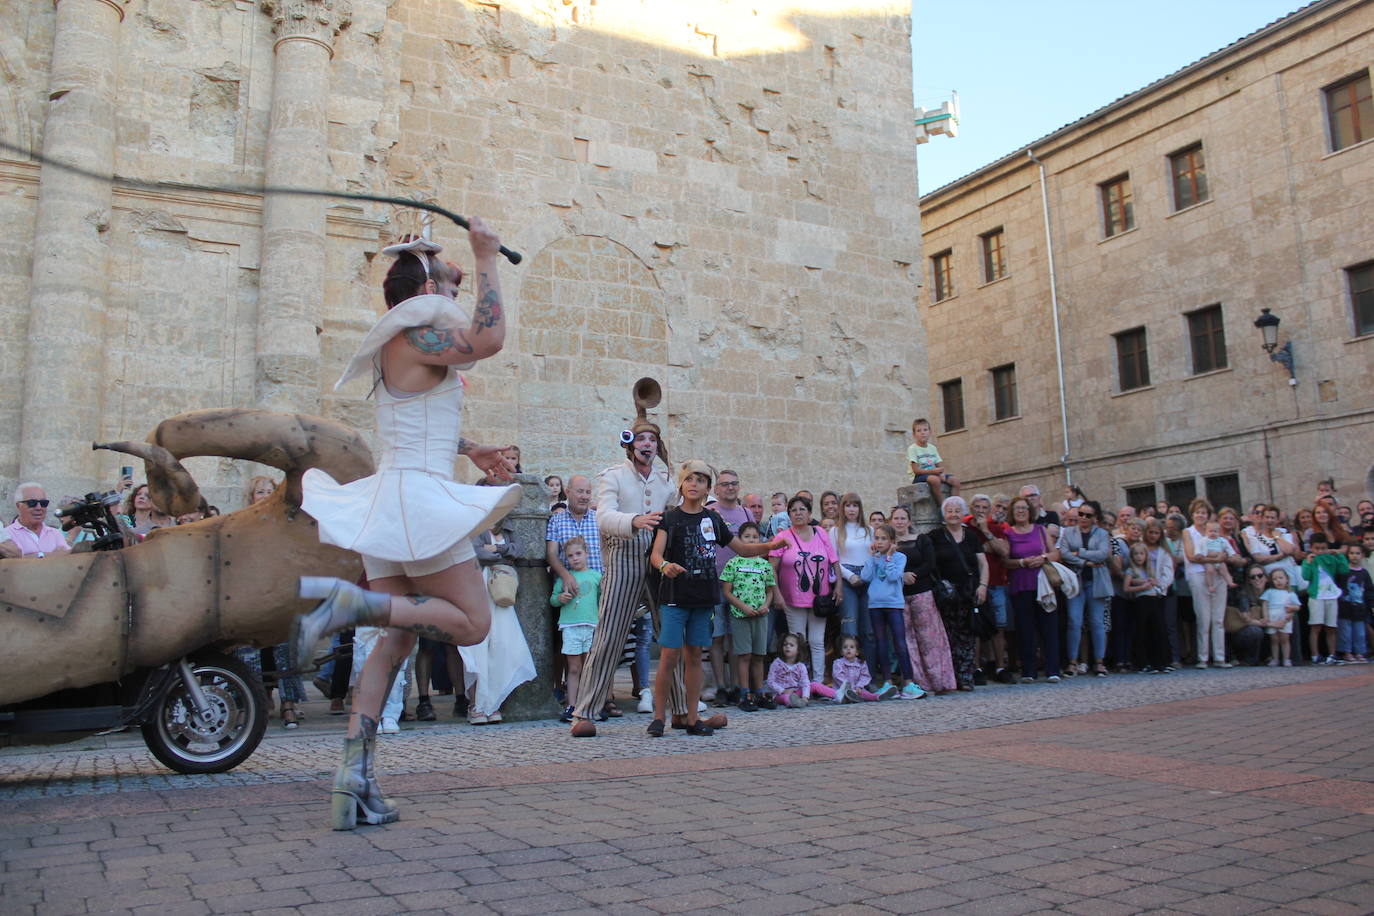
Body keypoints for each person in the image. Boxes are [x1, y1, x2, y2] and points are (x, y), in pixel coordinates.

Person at [291, 224, 522, 830]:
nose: (458, 272)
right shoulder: (424, 329)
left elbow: (417, 413)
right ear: (426, 283)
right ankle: (347, 603)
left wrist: (467, 446)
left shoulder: (404, 341)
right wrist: (486, 257)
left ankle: (353, 781)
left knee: (395, 643)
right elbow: (490, 338)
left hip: (394, 500)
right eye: (447, 267)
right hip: (416, 505)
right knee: (473, 625)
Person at [570, 390, 701, 737]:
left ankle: (682, 710)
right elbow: (604, 516)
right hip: (625, 558)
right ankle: (585, 711)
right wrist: (634, 521)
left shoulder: (665, 480)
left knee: (669, 635)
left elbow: (681, 508)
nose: (648, 445)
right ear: (630, 446)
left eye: (653, 440)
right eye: (642, 439)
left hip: (659, 561)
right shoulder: (613, 475)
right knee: (609, 635)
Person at [646, 461, 781, 737]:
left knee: (695, 654)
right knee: (669, 656)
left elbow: (741, 548)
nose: (694, 484)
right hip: (673, 597)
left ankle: (693, 717)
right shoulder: (669, 518)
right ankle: (660, 716)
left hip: (703, 597)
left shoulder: (713, 519)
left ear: (708, 488)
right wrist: (664, 566)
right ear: (681, 485)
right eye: (689, 479)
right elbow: (655, 554)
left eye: (700, 480)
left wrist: (769, 545)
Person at [544, 474, 603, 705]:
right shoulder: (557, 520)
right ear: (567, 492)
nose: (584, 496)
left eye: (588, 492)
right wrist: (565, 575)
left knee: (597, 647)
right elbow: (551, 553)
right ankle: (565, 692)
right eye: (580, 491)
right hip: (567, 591)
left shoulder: (598, 519)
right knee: (564, 644)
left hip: (595, 593)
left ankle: (600, 698)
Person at [769, 495, 839, 680]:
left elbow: (833, 560)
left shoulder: (820, 533)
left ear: (809, 513)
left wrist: (839, 585)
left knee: (817, 642)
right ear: (789, 514)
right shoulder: (783, 536)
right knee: (797, 641)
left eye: (802, 509)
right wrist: (777, 595)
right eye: (794, 510)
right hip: (792, 598)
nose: (798, 513)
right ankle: (798, 680)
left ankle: (818, 681)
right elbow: (772, 568)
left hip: (819, 598)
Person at [923, 496, 988, 692]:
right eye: (950, 510)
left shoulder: (971, 537)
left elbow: (982, 563)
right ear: (944, 514)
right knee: (947, 636)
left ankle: (966, 677)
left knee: (967, 636)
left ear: (963, 514)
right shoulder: (935, 536)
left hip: (968, 591)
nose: (953, 514)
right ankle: (949, 678)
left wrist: (983, 585)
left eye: (957, 510)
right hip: (946, 594)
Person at [892, 505, 956, 694]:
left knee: (930, 639)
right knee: (908, 641)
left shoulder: (921, 540)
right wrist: (901, 576)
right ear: (891, 521)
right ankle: (920, 683)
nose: (899, 522)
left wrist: (913, 575)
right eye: (896, 518)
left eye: (903, 518)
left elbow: (930, 563)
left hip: (922, 592)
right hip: (899, 596)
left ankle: (940, 681)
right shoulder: (888, 543)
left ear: (909, 522)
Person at [1002, 495, 1061, 682]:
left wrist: (1042, 558)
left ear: (1030, 511)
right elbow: (1005, 561)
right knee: (1025, 630)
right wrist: (1021, 562)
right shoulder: (1008, 533)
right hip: (1020, 585)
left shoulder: (1040, 530)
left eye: (1024, 508)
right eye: (1017, 508)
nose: (1020, 511)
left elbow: (1056, 553)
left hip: (1043, 585)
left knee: (1049, 628)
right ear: (1012, 512)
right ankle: (1029, 671)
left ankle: (1053, 669)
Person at [721, 521, 777, 712]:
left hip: (760, 615)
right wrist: (742, 606)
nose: (751, 540)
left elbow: (770, 590)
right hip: (740, 615)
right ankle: (745, 693)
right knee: (744, 655)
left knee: (759, 655)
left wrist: (766, 605)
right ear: (739, 540)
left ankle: (759, 691)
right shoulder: (733, 563)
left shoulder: (765, 564)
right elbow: (727, 591)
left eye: (755, 537)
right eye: (747, 537)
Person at [861, 523, 922, 697]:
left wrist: (888, 558)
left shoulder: (899, 557)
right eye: (877, 538)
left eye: (884, 539)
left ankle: (908, 682)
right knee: (881, 643)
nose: (879, 542)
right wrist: (872, 558)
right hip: (875, 605)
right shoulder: (874, 557)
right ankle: (887, 682)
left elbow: (894, 576)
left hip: (894, 604)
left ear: (892, 541)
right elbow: (865, 577)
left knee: (900, 643)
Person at [706, 469, 751, 705]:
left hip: (741, 585)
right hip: (714, 581)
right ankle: (720, 685)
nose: (730, 488)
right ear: (716, 489)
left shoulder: (746, 513)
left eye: (734, 483)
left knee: (735, 638)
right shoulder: (709, 513)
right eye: (725, 484)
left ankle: (736, 685)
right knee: (717, 637)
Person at [1057, 499, 1110, 677]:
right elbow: (1063, 553)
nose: (1083, 518)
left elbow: (1103, 553)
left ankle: (1099, 662)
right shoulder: (1068, 532)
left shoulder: (1102, 533)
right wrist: (1086, 561)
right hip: (1076, 581)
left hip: (1097, 581)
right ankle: (1072, 661)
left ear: (1095, 517)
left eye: (1088, 515)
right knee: (1074, 621)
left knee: (1097, 623)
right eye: (1081, 514)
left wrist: (1079, 552)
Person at [551, 537, 601, 722]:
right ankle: (572, 705)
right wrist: (560, 598)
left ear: (587, 554)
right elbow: (553, 600)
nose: (575, 558)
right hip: (570, 627)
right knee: (573, 667)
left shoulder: (596, 576)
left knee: (589, 667)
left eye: (578, 554)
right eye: (570, 556)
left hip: (591, 626)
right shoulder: (564, 579)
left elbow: (601, 600)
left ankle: (589, 704)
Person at [1182, 499, 1233, 669]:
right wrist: (1215, 558)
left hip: (1218, 575)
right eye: (1197, 512)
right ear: (1192, 515)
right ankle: (1203, 657)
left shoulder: (1215, 531)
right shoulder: (1188, 532)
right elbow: (1191, 556)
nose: (1200, 515)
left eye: (1203, 512)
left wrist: (1216, 558)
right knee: (1204, 618)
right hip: (1198, 575)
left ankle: (1219, 657)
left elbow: (1225, 553)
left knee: (1218, 618)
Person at [833, 493, 877, 673]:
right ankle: (847, 676)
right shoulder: (835, 531)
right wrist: (850, 576)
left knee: (869, 631)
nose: (852, 509)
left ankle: (870, 676)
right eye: (848, 505)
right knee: (849, 629)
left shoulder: (869, 530)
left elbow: (875, 556)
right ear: (842, 509)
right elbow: (834, 559)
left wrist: (865, 575)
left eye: (855, 505)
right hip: (847, 579)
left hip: (867, 579)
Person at [1302, 531, 1349, 665]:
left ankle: (1332, 654)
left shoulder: (1331, 559)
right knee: (1316, 626)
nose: (1320, 551)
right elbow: (1306, 576)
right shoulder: (1309, 560)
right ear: (1311, 548)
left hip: (1331, 595)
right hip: (1316, 596)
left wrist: (1338, 555)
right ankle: (1315, 655)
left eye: (1323, 548)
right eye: (1317, 548)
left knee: (1331, 627)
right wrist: (1308, 563)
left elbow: (1344, 570)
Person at [810, 636, 892, 702]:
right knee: (829, 690)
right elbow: (838, 676)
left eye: (852, 647)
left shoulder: (861, 663)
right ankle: (849, 697)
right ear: (842, 652)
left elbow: (865, 676)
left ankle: (877, 697)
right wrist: (851, 688)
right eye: (845, 647)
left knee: (865, 694)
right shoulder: (838, 663)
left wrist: (859, 687)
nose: (848, 649)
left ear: (857, 652)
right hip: (840, 690)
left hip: (857, 690)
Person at [5, 483, 71, 558]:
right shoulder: (6, 535)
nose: (39, 507)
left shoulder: (55, 534)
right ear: (18, 506)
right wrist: (49, 555)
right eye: (32, 503)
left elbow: (67, 558)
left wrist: (28, 556)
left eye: (43, 503)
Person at [1336, 543, 1370, 663]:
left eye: (1357, 553)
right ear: (1347, 555)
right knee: (1345, 631)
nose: (1354, 556)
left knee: (1360, 632)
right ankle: (1347, 652)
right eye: (1351, 553)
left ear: (1362, 555)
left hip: (1360, 607)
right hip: (1345, 607)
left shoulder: (1364, 573)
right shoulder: (1344, 571)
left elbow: (1369, 590)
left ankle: (1359, 652)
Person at [908, 417, 959, 495]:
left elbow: (939, 465)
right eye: (919, 431)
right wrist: (932, 471)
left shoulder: (932, 448)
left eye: (925, 430)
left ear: (930, 432)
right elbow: (916, 470)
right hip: (919, 476)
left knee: (955, 480)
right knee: (935, 480)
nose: (922, 433)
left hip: (934, 474)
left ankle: (954, 502)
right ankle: (942, 504)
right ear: (914, 434)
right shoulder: (913, 449)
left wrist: (942, 474)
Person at [1261, 568, 1301, 666]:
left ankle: (1286, 659)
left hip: (1285, 617)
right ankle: (1275, 659)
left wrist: (1292, 608)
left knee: (1285, 638)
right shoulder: (1269, 592)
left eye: (1281, 578)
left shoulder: (1290, 593)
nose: (1278, 581)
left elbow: (1298, 606)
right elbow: (1265, 604)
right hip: (1272, 616)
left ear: (1287, 579)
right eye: (1275, 579)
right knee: (1274, 639)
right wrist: (1265, 616)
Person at [766, 633, 811, 707]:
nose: (787, 647)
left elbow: (805, 682)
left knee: (814, 685)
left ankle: (835, 695)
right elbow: (770, 681)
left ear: (798, 650)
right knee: (787, 697)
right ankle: (795, 703)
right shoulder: (777, 663)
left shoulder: (801, 666)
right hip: (780, 694)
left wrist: (805, 697)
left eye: (791, 645)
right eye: (785, 644)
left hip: (796, 692)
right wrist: (783, 691)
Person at [1201, 520, 1237, 594]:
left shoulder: (1222, 540)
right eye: (1210, 531)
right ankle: (1210, 586)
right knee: (1210, 571)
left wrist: (1232, 554)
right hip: (1210, 560)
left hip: (1220, 560)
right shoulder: (1204, 540)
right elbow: (1200, 549)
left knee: (1224, 570)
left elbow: (1228, 547)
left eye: (1215, 531)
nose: (1213, 533)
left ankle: (1230, 582)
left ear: (1219, 532)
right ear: (1206, 532)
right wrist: (1204, 554)